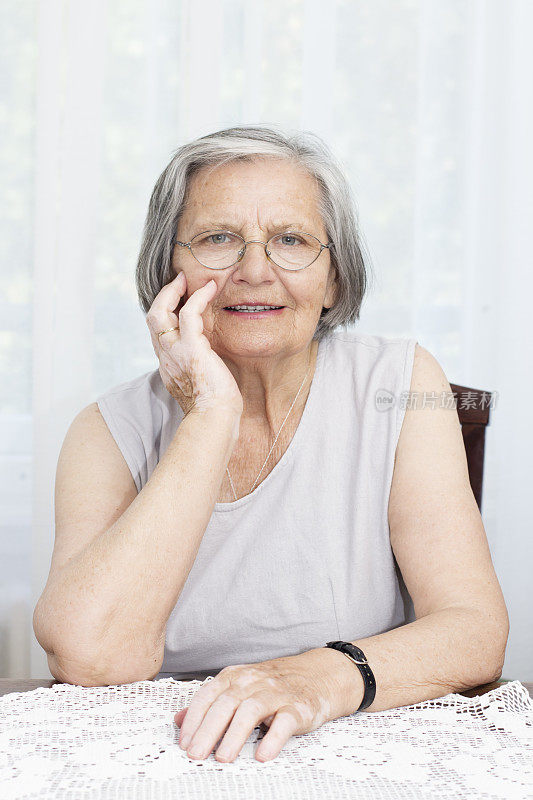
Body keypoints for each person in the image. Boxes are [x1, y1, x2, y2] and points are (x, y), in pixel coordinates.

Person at [33, 125, 509, 764]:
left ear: (334, 280)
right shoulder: (106, 430)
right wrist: (210, 415)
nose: (255, 271)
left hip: (352, 742)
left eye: (291, 240)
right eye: (218, 239)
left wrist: (322, 678)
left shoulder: (400, 383)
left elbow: (475, 629)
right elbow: (90, 656)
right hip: (179, 755)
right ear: (166, 270)